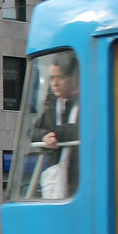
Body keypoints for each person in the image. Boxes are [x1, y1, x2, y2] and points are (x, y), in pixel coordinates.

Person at [32, 53, 80, 199]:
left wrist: (56, 134)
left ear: (74, 78)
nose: (55, 83)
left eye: (61, 77)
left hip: (80, 174)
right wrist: (45, 136)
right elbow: (33, 131)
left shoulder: (86, 102)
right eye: (52, 78)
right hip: (56, 173)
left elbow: (83, 130)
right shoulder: (52, 105)